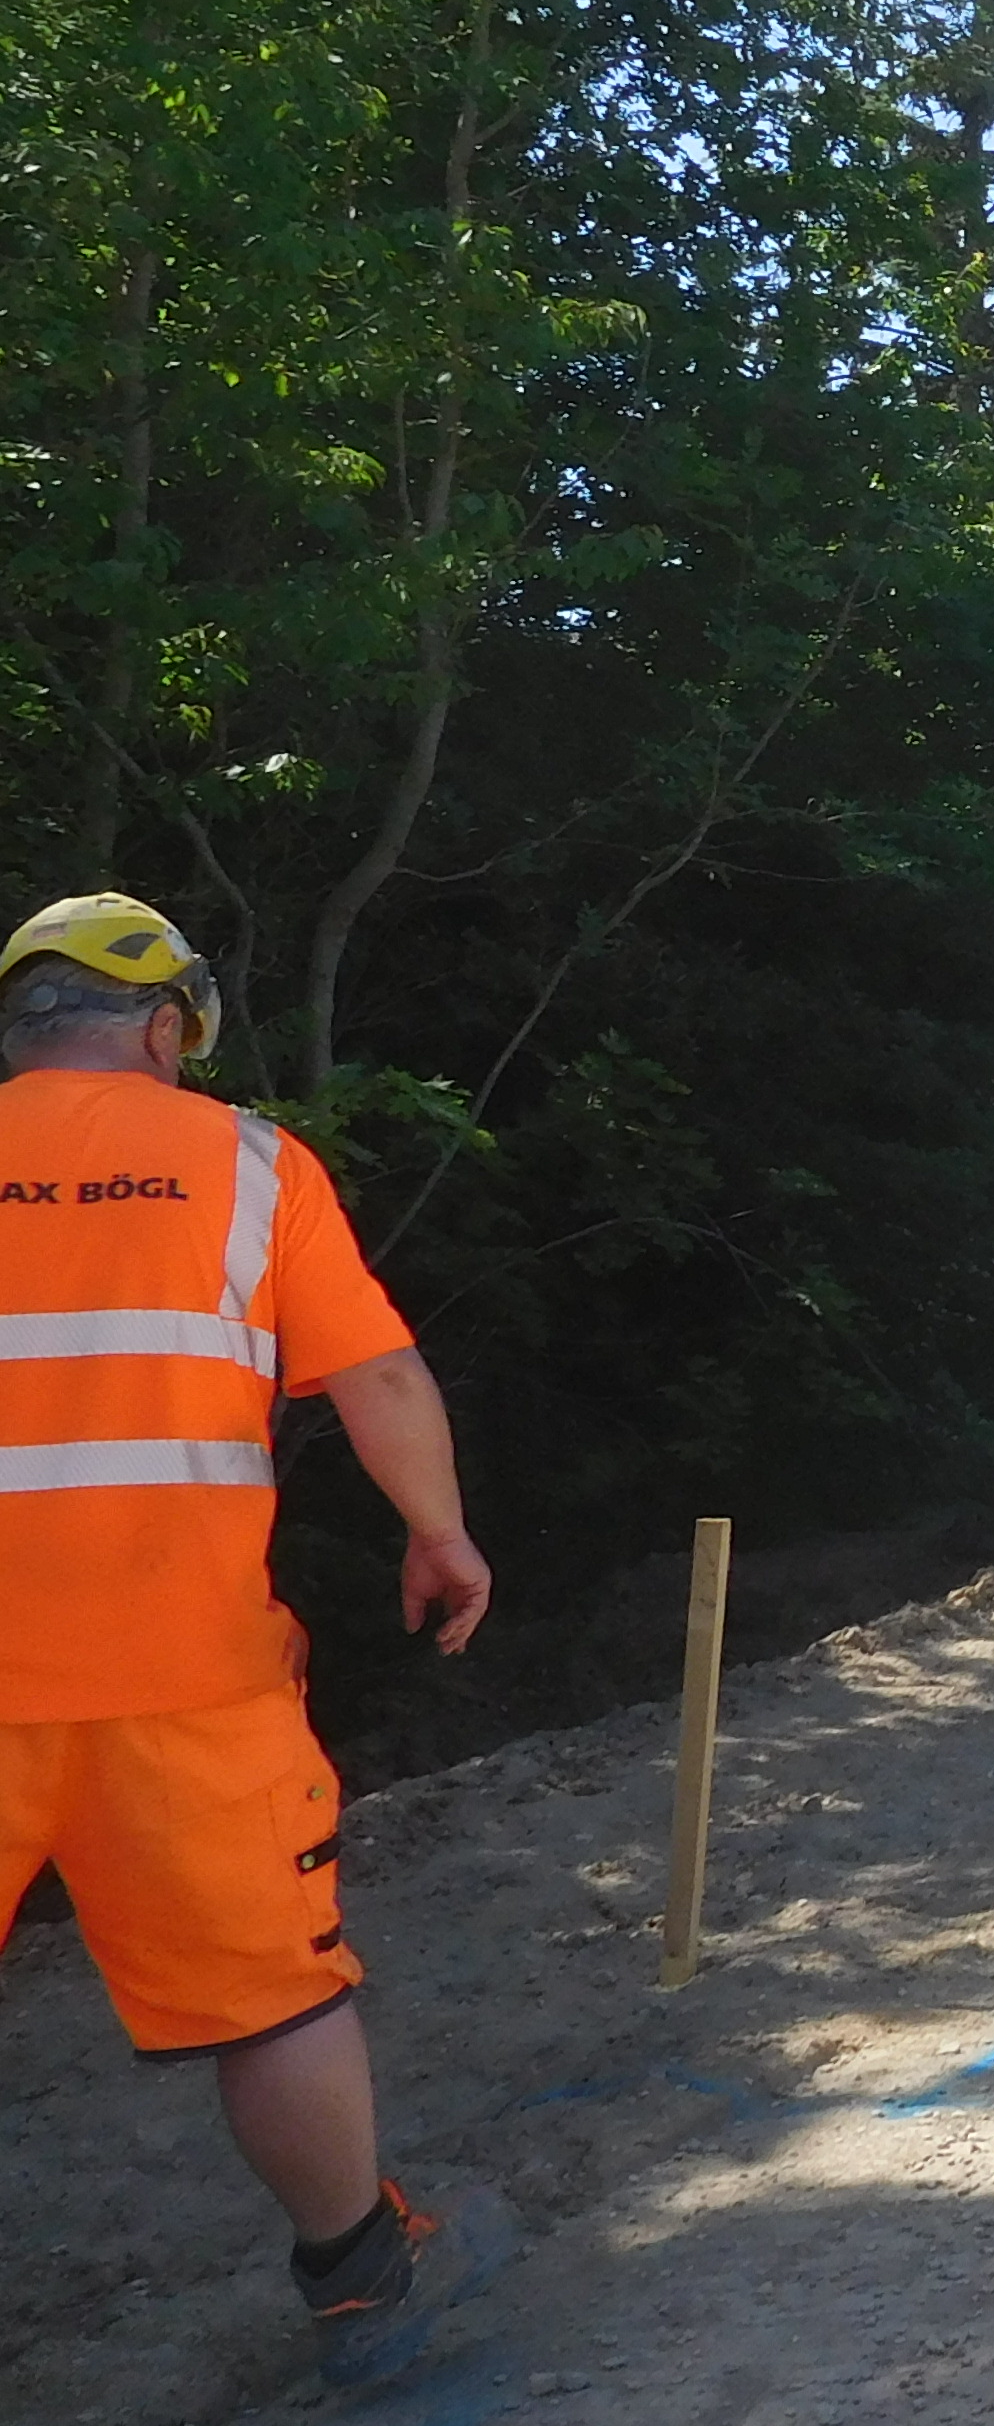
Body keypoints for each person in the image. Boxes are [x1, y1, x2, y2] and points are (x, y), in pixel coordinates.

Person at [0, 894, 517, 2386]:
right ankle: (366, 2283)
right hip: (185, 1682)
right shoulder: (245, 1164)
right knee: (272, 1997)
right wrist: (439, 1532)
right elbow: (381, 1377)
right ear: (167, 1025)